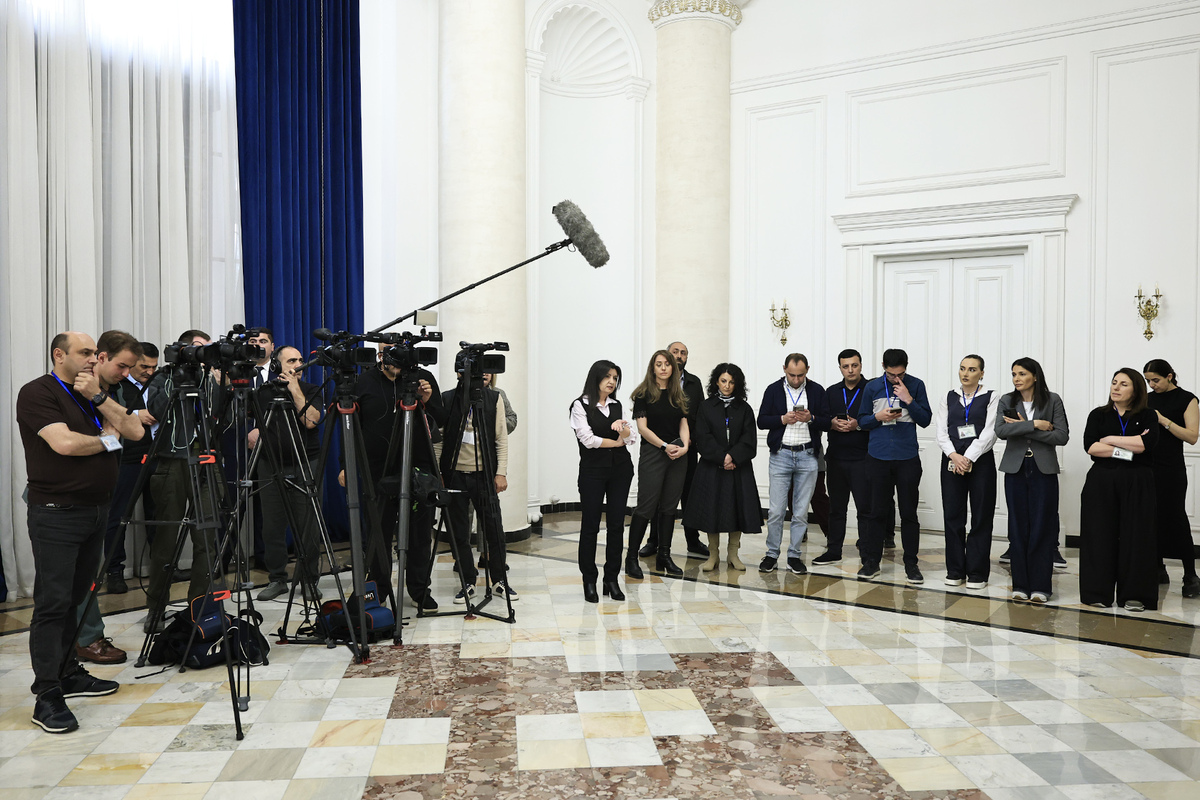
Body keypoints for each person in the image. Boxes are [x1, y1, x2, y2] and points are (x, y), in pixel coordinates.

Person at [16, 331, 146, 732]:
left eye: (95, 353)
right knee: (53, 604)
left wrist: (100, 398)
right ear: (60, 355)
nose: (94, 358)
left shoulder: (96, 392)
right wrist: (107, 440)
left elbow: (136, 433)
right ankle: (47, 695)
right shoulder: (38, 392)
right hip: (57, 513)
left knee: (77, 599)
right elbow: (65, 444)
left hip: (95, 511)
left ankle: (69, 673)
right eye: (85, 352)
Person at [345, 349, 447, 611]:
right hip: (377, 470)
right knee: (378, 532)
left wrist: (428, 400)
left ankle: (419, 589)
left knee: (420, 534)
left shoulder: (422, 379)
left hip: (418, 468)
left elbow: (440, 421)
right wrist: (345, 464)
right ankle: (378, 589)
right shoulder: (364, 382)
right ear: (381, 357)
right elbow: (351, 427)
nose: (397, 365)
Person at [144, 330, 223, 629]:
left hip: (205, 460)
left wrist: (212, 381)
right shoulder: (163, 377)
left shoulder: (209, 379)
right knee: (165, 540)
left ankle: (199, 606)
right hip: (171, 462)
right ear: (183, 350)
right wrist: (178, 382)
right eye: (197, 349)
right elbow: (156, 410)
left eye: (206, 350)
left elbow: (220, 414)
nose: (201, 355)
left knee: (206, 540)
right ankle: (156, 608)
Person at [1079, 368, 1160, 612]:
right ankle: (1097, 592)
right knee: (1098, 534)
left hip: (1138, 481)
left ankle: (1135, 595)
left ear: (1136, 389)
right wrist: (1127, 448)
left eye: (1124, 384)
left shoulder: (1148, 415)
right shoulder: (1098, 414)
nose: (1116, 387)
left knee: (1137, 536)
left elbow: (1146, 444)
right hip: (1102, 480)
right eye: (1114, 382)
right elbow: (1091, 447)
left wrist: (1109, 439)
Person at [251, 346, 325, 602]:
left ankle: (309, 579)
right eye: (291, 361)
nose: (298, 365)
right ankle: (277, 579)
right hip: (270, 464)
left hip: (306, 463)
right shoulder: (263, 392)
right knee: (272, 526)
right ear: (276, 366)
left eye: (301, 360)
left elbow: (311, 421)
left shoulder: (311, 390)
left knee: (308, 526)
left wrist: (294, 390)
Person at [995, 358, 1069, 604]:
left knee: (1042, 526)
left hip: (1043, 469)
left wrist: (1022, 428)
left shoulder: (1052, 400)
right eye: (1014, 374)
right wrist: (1036, 424)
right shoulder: (1007, 400)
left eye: (1022, 374)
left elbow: (1061, 436)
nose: (1016, 379)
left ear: (1035, 376)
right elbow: (1001, 431)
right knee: (1018, 527)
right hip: (1015, 469)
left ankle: (1041, 587)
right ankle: (1020, 585)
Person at [856, 348, 932, 584]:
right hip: (878, 457)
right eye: (891, 375)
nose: (895, 378)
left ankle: (911, 564)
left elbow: (926, 420)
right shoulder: (872, 387)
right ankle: (871, 562)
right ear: (883, 367)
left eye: (900, 374)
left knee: (908, 513)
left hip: (906, 457)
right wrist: (877, 418)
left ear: (906, 368)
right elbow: (862, 421)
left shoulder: (916, 385)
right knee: (876, 512)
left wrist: (909, 400)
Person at [441, 373, 517, 603]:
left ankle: (499, 580)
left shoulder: (494, 398)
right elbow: (439, 438)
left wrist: (500, 472)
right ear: (459, 372)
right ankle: (468, 581)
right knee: (459, 533)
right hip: (455, 475)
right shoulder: (448, 398)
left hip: (484, 475)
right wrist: (439, 474)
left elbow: (501, 438)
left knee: (494, 530)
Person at [570, 360, 637, 602]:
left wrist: (622, 429)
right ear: (595, 377)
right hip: (593, 472)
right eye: (607, 376)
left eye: (615, 378)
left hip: (621, 470)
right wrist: (617, 441)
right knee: (590, 525)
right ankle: (589, 580)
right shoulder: (579, 405)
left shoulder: (617, 405)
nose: (611, 382)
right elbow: (588, 440)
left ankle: (611, 579)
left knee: (617, 525)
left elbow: (632, 437)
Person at [757, 353, 830, 575]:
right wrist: (782, 419)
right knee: (776, 511)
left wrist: (811, 418)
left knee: (800, 512)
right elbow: (761, 421)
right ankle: (771, 554)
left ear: (807, 370)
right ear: (784, 369)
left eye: (800, 375)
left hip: (807, 455)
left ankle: (794, 556)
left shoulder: (817, 391)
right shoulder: (773, 390)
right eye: (791, 375)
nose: (796, 380)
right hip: (781, 454)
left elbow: (828, 422)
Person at [685, 364, 761, 571]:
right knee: (712, 511)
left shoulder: (744, 409)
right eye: (723, 381)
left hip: (739, 467)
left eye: (732, 382)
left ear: (738, 384)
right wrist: (722, 457)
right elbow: (702, 437)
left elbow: (749, 439)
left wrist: (733, 457)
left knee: (736, 510)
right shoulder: (706, 406)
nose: (727, 386)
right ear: (716, 382)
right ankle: (713, 555)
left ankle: (733, 555)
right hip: (712, 467)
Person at [935, 355, 1000, 590]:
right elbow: (941, 431)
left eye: (972, 369)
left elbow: (990, 432)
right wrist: (954, 456)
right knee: (953, 516)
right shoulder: (948, 396)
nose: (965, 373)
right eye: (962, 368)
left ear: (981, 373)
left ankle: (977, 572)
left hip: (980, 462)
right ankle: (955, 570)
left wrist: (969, 457)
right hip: (952, 461)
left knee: (981, 516)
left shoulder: (992, 396)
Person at [99, 342, 160, 595]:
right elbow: (106, 413)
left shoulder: (160, 382)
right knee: (118, 516)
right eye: (144, 366)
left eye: (154, 367)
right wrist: (136, 415)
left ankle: (161, 568)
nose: (149, 371)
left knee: (158, 515)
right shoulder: (115, 384)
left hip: (157, 456)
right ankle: (114, 571)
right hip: (126, 460)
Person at [640, 342, 709, 560]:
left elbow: (698, 415)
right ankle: (653, 541)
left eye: (683, 353)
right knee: (658, 497)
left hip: (687, 449)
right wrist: (663, 444)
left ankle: (692, 540)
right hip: (658, 448)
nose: (679, 356)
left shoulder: (694, 383)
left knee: (689, 495)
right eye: (675, 352)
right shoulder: (650, 388)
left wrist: (690, 443)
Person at [627, 350, 691, 577]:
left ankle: (664, 555)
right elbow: (642, 428)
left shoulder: (677, 393)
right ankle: (631, 558)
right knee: (646, 506)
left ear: (673, 367)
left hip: (677, 454)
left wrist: (684, 447)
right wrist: (664, 446)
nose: (663, 368)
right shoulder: (643, 394)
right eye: (659, 364)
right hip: (654, 453)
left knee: (669, 507)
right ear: (652, 368)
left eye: (667, 364)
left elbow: (683, 423)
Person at [1143, 359, 1199, 598]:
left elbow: (1192, 436)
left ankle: (1190, 575)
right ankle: (1157, 568)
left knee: (1176, 517)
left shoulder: (1187, 399)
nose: (1151, 385)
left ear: (1169, 376)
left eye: (1155, 380)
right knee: (1150, 516)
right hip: (1147, 466)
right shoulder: (1146, 399)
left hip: (1171, 468)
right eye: (1148, 381)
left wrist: (1163, 420)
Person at [816, 349, 871, 566]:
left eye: (854, 365)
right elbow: (821, 419)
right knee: (836, 508)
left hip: (863, 458)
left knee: (864, 509)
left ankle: (867, 553)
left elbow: (878, 419)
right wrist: (831, 423)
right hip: (836, 458)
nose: (850, 370)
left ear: (861, 365)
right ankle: (833, 550)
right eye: (845, 366)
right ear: (840, 368)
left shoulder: (870, 389)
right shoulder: (831, 392)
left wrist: (859, 424)